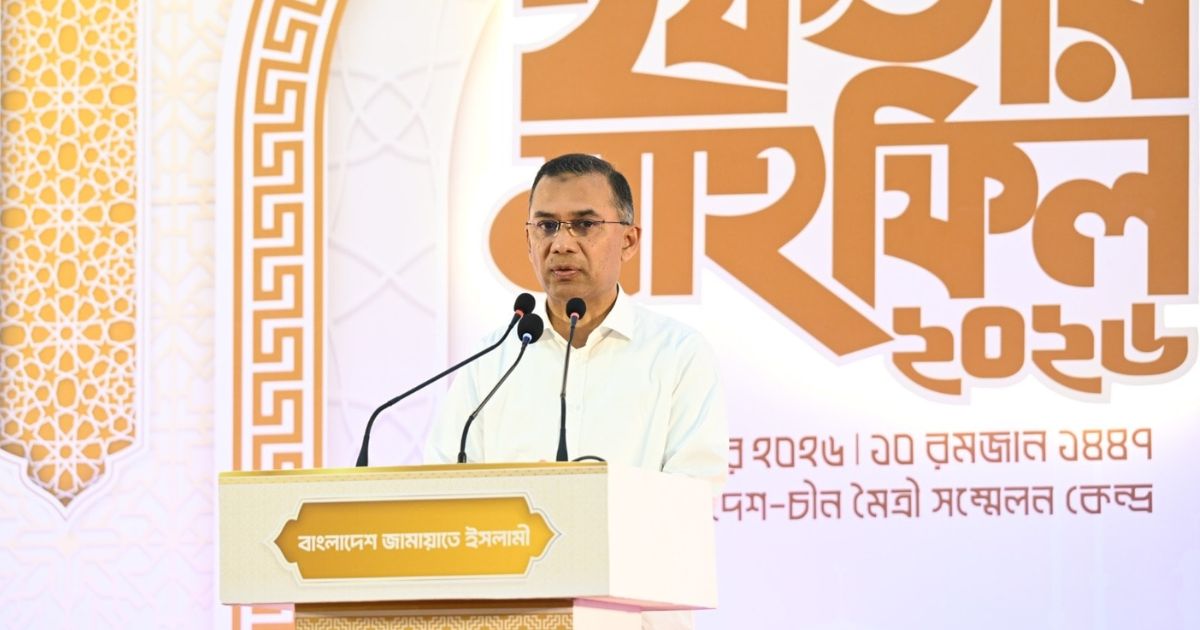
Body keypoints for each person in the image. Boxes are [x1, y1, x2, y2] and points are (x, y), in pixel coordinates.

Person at [424, 153, 727, 630]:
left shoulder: (677, 355)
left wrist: (574, 505)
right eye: (546, 226)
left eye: (584, 225)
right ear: (528, 239)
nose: (562, 243)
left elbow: (692, 498)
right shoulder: (491, 360)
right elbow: (440, 493)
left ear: (629, 240)